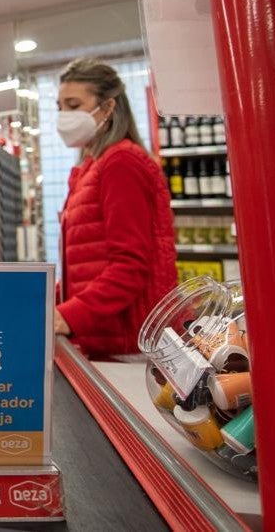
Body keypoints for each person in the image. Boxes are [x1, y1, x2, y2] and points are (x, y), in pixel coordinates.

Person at [53, 58, 177, 358]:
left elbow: (130, 264)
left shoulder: (122, 163)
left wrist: (70, 316)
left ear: (108, 108)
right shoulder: (91, 169)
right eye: (59, 107)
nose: (63, 116)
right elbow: (87, 262)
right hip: (103, 338)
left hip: (128, 342)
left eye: (73, 105)